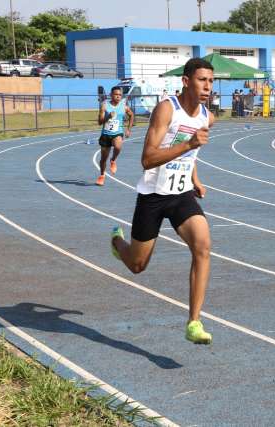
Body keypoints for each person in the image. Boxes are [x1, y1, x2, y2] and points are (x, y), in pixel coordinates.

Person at [110, 58, 216, 344]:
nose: (207, 86)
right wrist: (189, 144)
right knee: (137, 265)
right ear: (186, 81)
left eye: (210, 81)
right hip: (153, 196)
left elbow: (190, 155)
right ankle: (118, 244)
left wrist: (194, 178)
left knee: (203, 246)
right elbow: (147, 159)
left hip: (180, 195)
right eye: (201, 80)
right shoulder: (167, 109)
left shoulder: (207, 117)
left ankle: (194, 322)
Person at [96, 86, 133, 186]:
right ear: (111, 95)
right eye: (116, 94)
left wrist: (128, 129)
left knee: (118, 146)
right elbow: (99, 122)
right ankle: (102, 175)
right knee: (103, 159)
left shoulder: (124, 106)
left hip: (117, 132)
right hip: (106, 134)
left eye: (120, 95)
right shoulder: (104, 106)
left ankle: (113, 160)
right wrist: (108, 117)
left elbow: (131, 115)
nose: (118, 96)